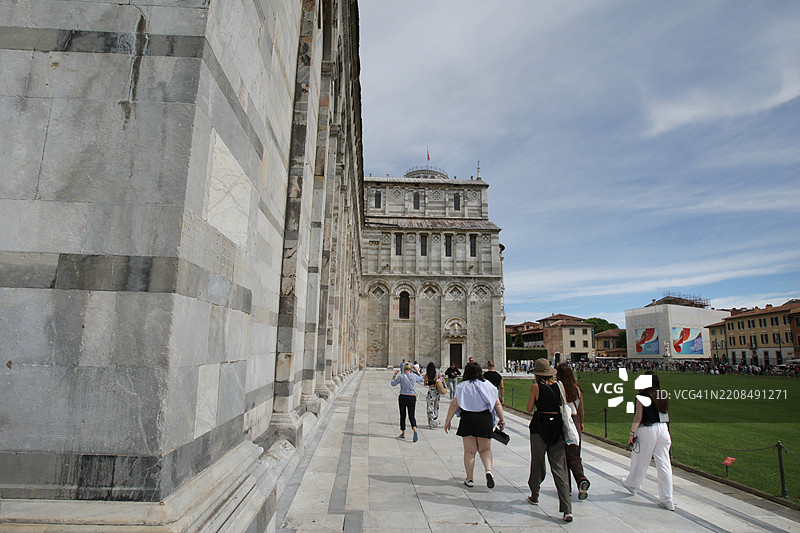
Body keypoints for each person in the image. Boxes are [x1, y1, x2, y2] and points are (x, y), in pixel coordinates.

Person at [444, 361, 505, 489]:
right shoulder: (488, 385)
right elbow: (497, 403)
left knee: (470, 451)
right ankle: (488, 470)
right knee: (485, 449)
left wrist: (448, 420)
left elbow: (454, 404)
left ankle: (470, 479)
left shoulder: (462, 386)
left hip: (468, 419)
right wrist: (502, 420)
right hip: (485, 419)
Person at [526, 358, 572, 522]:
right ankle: (567, 509)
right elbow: (564, 406)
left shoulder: (535, 387)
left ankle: (535, 494)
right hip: (557, 428)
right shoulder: (560, 387)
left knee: (537, 462)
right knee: (560, 469)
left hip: (539, 427)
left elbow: (529, 408)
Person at [622, 372, 674, 511]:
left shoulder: (642, 396)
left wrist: (632, 433)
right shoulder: (662, 394)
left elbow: (638, 416)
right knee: (664, 464)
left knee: (640, 459)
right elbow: (665, 414)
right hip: (662, 428)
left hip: (648, 429)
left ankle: (632, 484)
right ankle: (667, 498)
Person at [556, 363, 590, 500]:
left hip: (563, 421)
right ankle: (581, 480)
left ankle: (567, 487)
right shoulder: (577, 390)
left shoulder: (559, 389)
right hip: (575, 421)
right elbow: (581, 409)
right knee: (575, 454)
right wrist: (581, 423)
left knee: (563, 456)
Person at [391, 363, 424, 442]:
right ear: (410, 369)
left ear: (404, 369)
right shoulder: (414, 376)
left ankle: (403, 433)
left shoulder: (402, 377)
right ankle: (414, 430)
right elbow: (422, 379)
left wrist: (394, 375)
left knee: (403, 415)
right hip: (412, 397)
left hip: (403, 397)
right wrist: (417, 371)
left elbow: (393, 384)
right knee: (411, 415)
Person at [424, 361, 443, 428]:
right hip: (437, 392)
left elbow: (425, 383)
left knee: (429, 407)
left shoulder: (427, 375)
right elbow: (442, 380)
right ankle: (435, 420)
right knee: (436, 406)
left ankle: (432, 420)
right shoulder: (437, 374)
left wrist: (429, 383)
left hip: (431, 392)